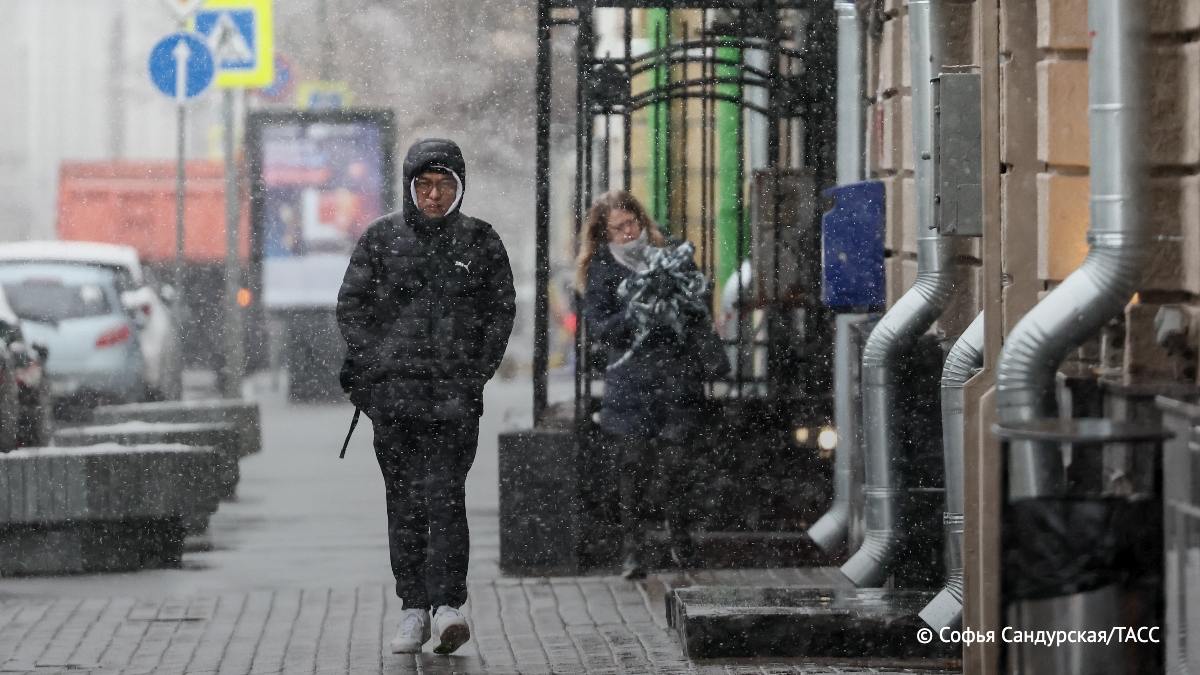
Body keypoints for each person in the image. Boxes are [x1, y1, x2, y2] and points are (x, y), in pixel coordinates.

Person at [336, 138, 515, 654]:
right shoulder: (380, 239)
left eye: (444, 186)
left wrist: (473, 372)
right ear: (410, 187)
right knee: (406, 505)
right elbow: (352, 307)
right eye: (424, 185)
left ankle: (447, 606)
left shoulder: (480, 243)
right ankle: (413, 608)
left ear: (459, 188)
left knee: (446, 500)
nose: (433, 196)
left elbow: (500, 311)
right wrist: (379, 366)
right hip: (395, 403)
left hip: (453, 402)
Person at [576, 190, 727, 580]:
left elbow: (699, 301)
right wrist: (636, 313)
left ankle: (681, 540)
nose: (630, 232)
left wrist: (675, 302)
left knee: (678, 464)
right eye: (619, 228)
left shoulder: (671, 252)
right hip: (632, 380)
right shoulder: (602, 268)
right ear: (604, 234)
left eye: (633, 223)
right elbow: (602, 329)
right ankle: (634, 550)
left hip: (676, 374)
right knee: (634, 467)